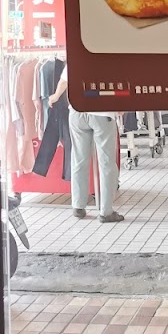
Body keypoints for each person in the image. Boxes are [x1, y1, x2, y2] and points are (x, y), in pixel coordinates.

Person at [50, 72, 123, 222]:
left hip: (78, 112)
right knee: (107, 163)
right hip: (103, 113)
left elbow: (64, 80)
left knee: (79, 159)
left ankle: (78, 206)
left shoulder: (76, 59)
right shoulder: (109, 60)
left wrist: (55, 96)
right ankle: (106, 212)